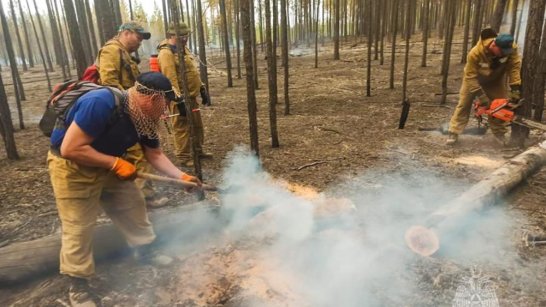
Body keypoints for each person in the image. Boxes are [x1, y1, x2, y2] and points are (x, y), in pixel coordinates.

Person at [48, 72, 202, 307]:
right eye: (165, 103)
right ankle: (78, 284)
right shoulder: (100, 103)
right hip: (73, 168)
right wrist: (116, 163)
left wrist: (182, 178)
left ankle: (145, 251)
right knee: (78, 225)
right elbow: (71, 148)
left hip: (110, 162)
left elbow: (155, 155)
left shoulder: (144, 118)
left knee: (133, 204)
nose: (166, 109)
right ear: (152, 99)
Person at [97, 21, 168, 208]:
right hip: (124, 112)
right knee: (138, 155)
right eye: (138, 37)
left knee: (141, 154)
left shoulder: (124, 53)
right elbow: (109, 83)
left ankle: (140, 197)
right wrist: (133, 102)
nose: (139, 42)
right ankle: (145, 199)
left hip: (130, 111)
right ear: (126, 33)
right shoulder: (111, 51)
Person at [446, 29, 521, 146]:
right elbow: (470, 76)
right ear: (494, 45)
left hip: (495, 80)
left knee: (500, 105)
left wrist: (515, 88)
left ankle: (499, 133)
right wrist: (482, 97)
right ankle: (454, 132)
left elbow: (514, 68)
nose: (504, 54)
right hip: (473, 79)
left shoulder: (511, 49)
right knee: (464, 104)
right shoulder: (475, 53)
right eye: (502, 52)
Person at [157, 22, 213, 168]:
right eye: (181, 35)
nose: (185, 38)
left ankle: (198, 151)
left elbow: (192, 71)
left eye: (186, 35)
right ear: (171, 35)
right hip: (180, 99)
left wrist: (202, 88)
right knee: (182, 127)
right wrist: (178, 99)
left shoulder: (183, 49)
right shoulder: (166, 53)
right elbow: (170, 78)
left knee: (196, 125)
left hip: (192, 97)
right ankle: (184, 157)